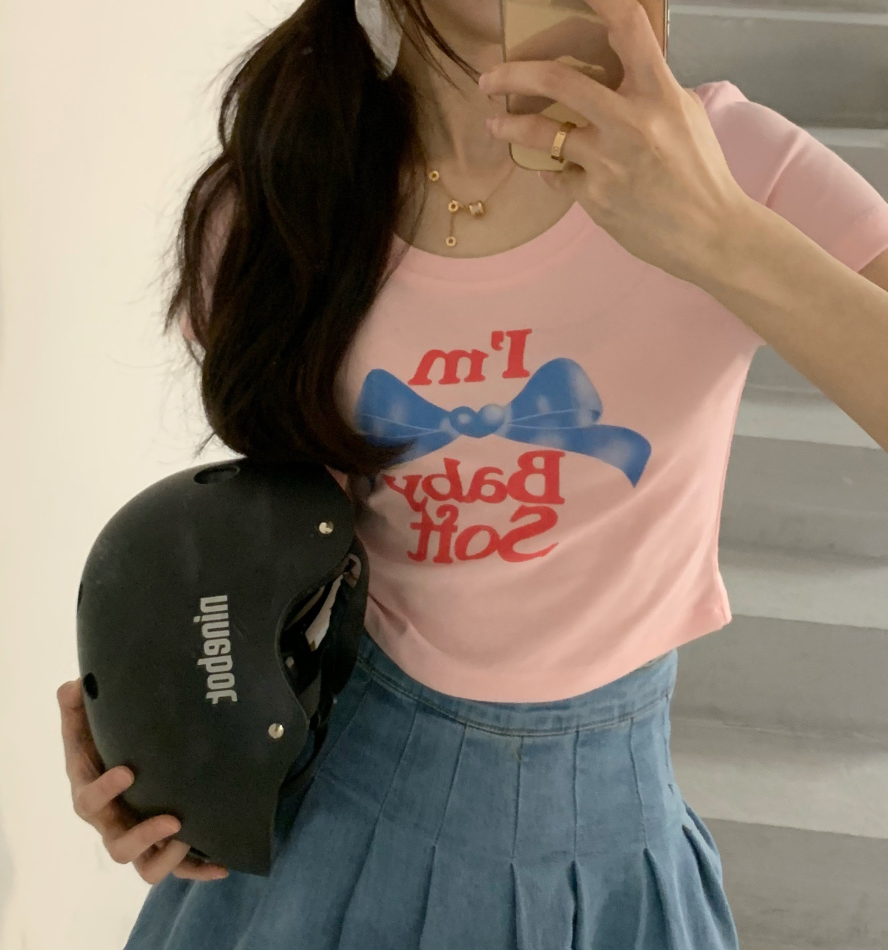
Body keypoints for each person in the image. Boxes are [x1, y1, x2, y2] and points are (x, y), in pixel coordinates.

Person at [56, 0, 888, 945]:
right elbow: (275, 533)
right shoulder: (282, 199)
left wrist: (722, 234)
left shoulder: (728, 160)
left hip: (613, 851)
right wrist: (163, 736)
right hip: (324, 841)